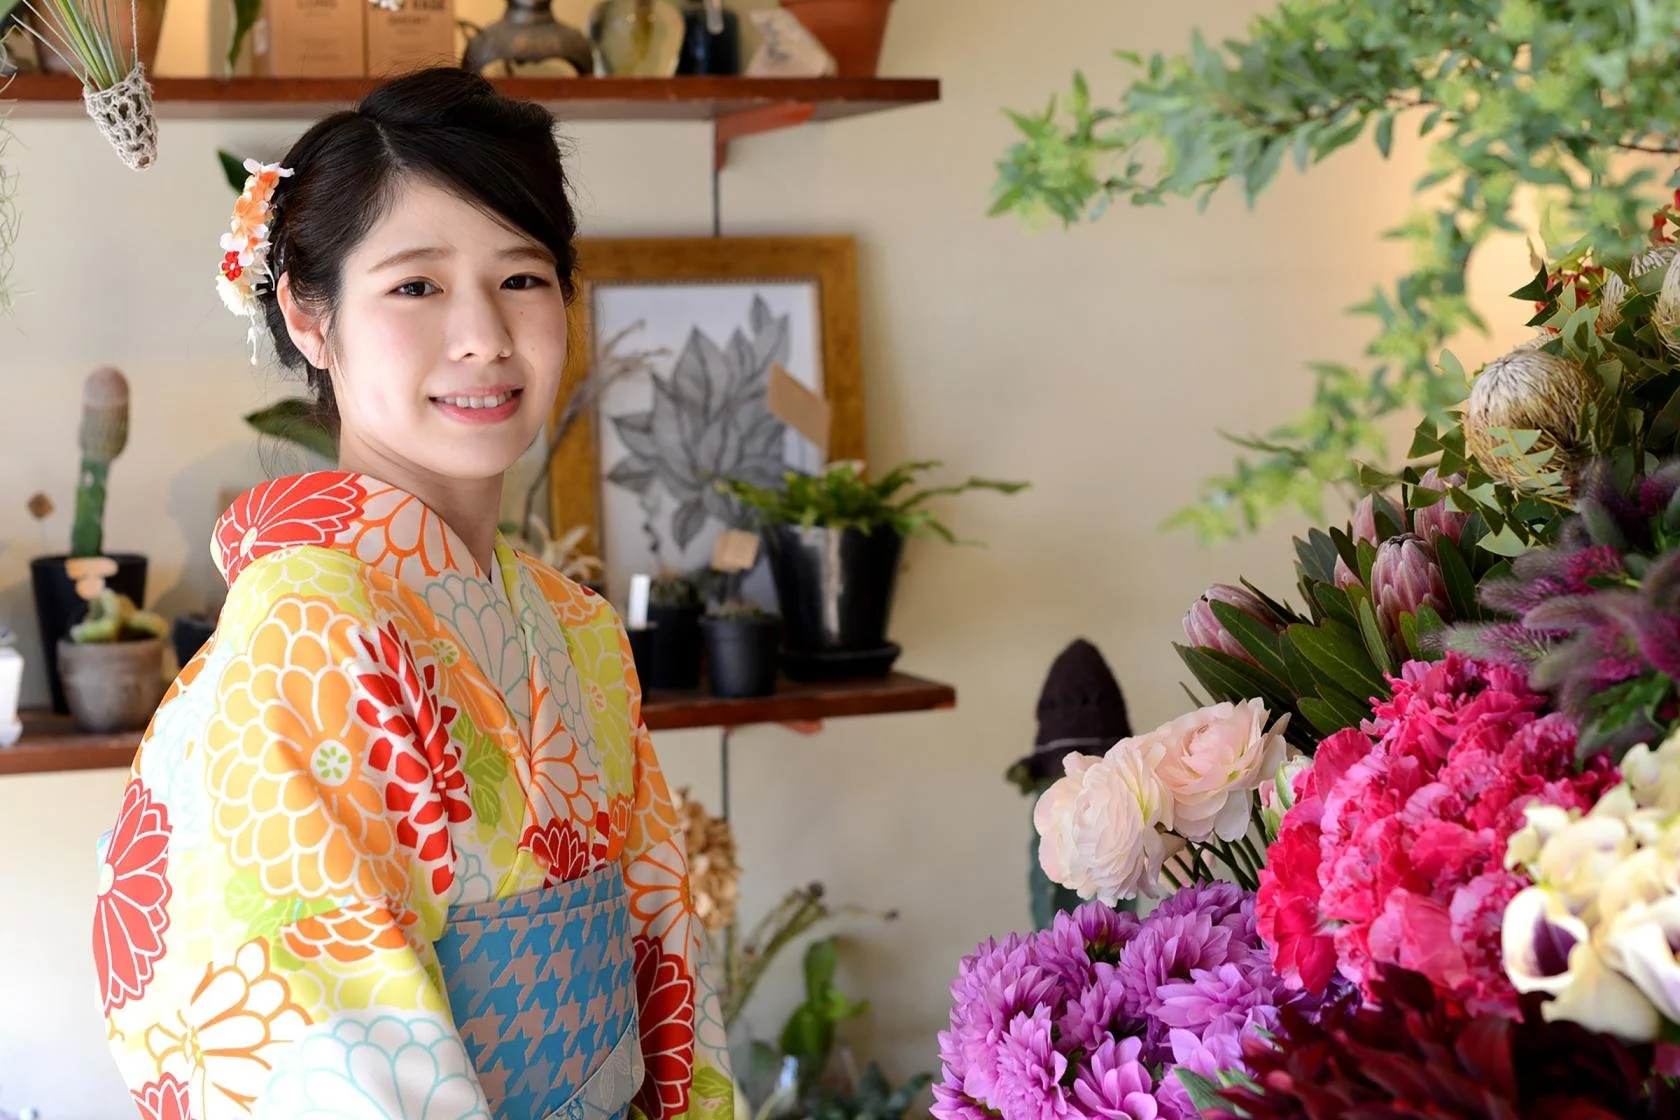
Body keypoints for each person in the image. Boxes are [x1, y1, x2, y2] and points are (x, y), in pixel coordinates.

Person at [93, 67, 732, 1120]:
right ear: (308, 316)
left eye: (523, 278)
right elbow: (319, 1048)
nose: (483, 333)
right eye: (417, 285)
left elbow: (665, 959)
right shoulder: (306, 633)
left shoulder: (573, 628)